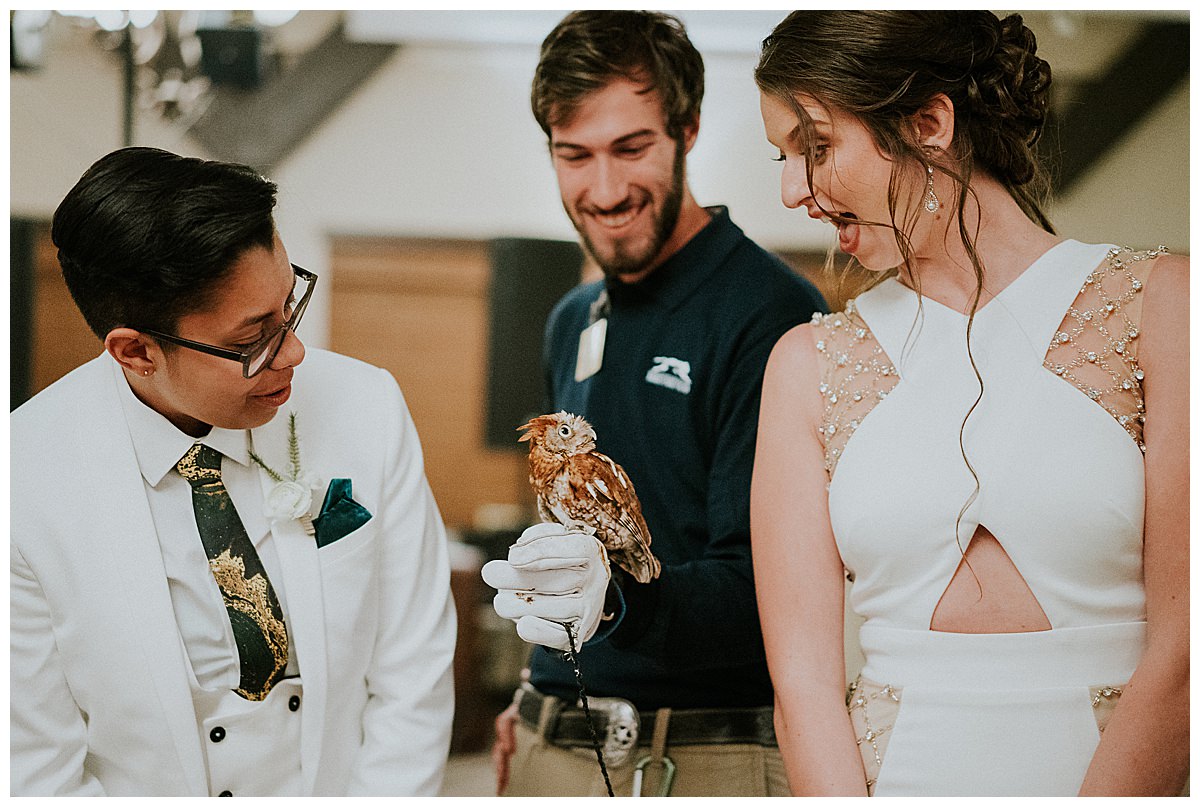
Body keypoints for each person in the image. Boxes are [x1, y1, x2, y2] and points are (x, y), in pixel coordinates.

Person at [749, 10, 1188, 797]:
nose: (792, 192)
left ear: (929, 123)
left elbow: (1188, 647)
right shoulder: (805, 365)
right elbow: (804, 687)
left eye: (814, 147)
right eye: (784, 157)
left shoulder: (1161, 308)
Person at [10, 147, 457, 796]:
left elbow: (412, 673)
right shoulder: (24, 479)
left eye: (289, 305)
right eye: (253, 340)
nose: (295, 351)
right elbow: (37, 763)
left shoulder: (367, 406)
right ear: (135, 351)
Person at [481, 10, 827, 798]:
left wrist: (611, 603)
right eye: (575, 155)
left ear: (689, 128)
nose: (602, 190)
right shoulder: (572, 319)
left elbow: (766, 592)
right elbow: (567, 529)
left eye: (631, 149)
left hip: (695, 751)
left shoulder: (772, 314)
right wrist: (536, 687)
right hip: (549, 736)